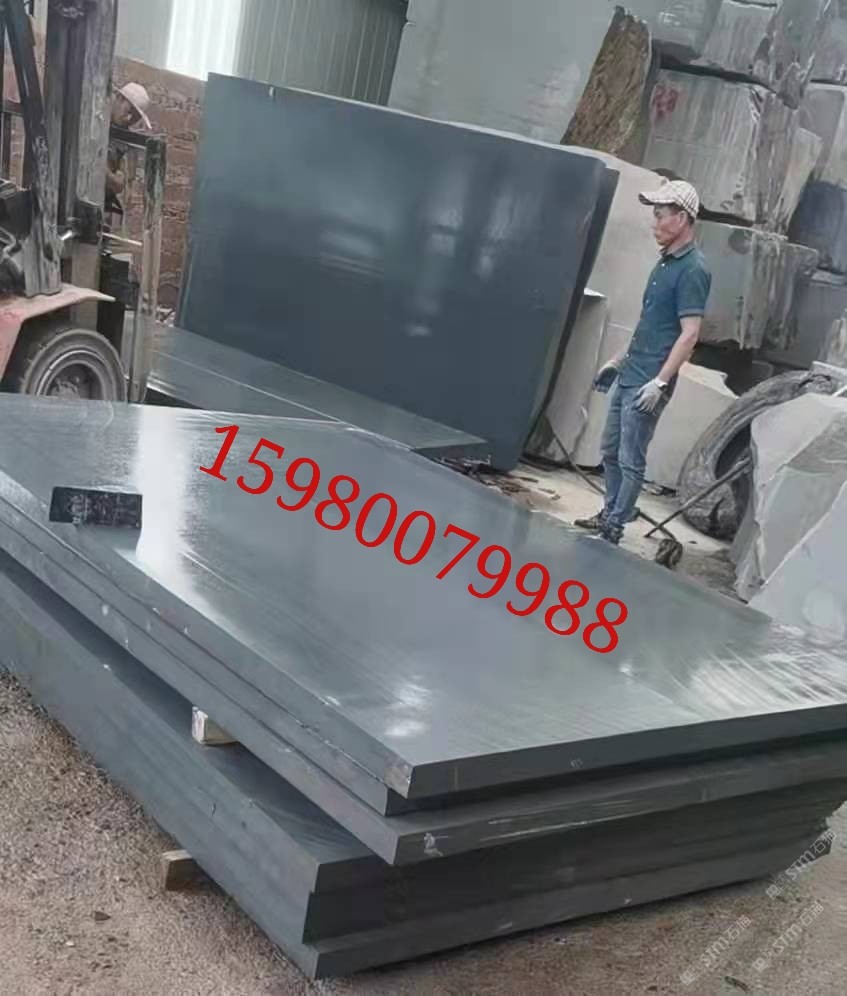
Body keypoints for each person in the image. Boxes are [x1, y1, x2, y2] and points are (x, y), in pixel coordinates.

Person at [575, 179, 712, 546]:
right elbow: (648, 323)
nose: (654, 223)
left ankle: (614, 527)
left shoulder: (693, 269)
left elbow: (689, 334)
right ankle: (611, 511)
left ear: (681, 218)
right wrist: (615, 361)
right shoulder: (664, 263)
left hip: (649, 380)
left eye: (660, 215)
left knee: (630, 458)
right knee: (609, 450)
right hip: (631, 371)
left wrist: (661, 382)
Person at [106, 82, 153, 208]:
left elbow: (121, 184)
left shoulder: (126, 140)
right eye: (128, 111)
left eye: (135, 118)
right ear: (119, 98)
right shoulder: (95, 115)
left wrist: (104, 173)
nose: (128, 119)